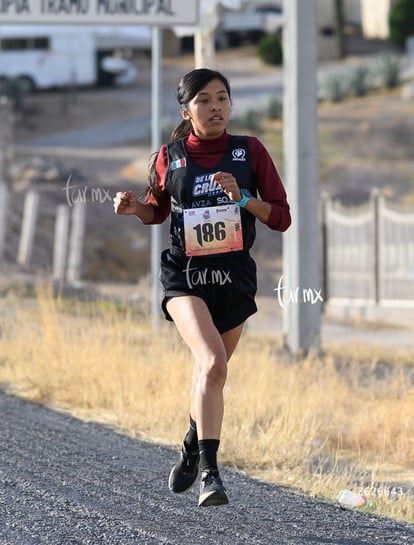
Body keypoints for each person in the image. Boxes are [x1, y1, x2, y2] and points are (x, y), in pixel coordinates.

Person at [113, 68, 291, 507]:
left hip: (234, 277)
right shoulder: (168, 157)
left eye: (223, 98)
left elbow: (281, 217)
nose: (216, 107)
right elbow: (156, 212)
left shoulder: (250, 152)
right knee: (211, 362)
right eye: (205, 100)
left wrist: (243, 199)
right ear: (186, 110)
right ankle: (212, 475)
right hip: (185, 276)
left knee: (212, 377)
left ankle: (193, 443)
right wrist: (136, 208)